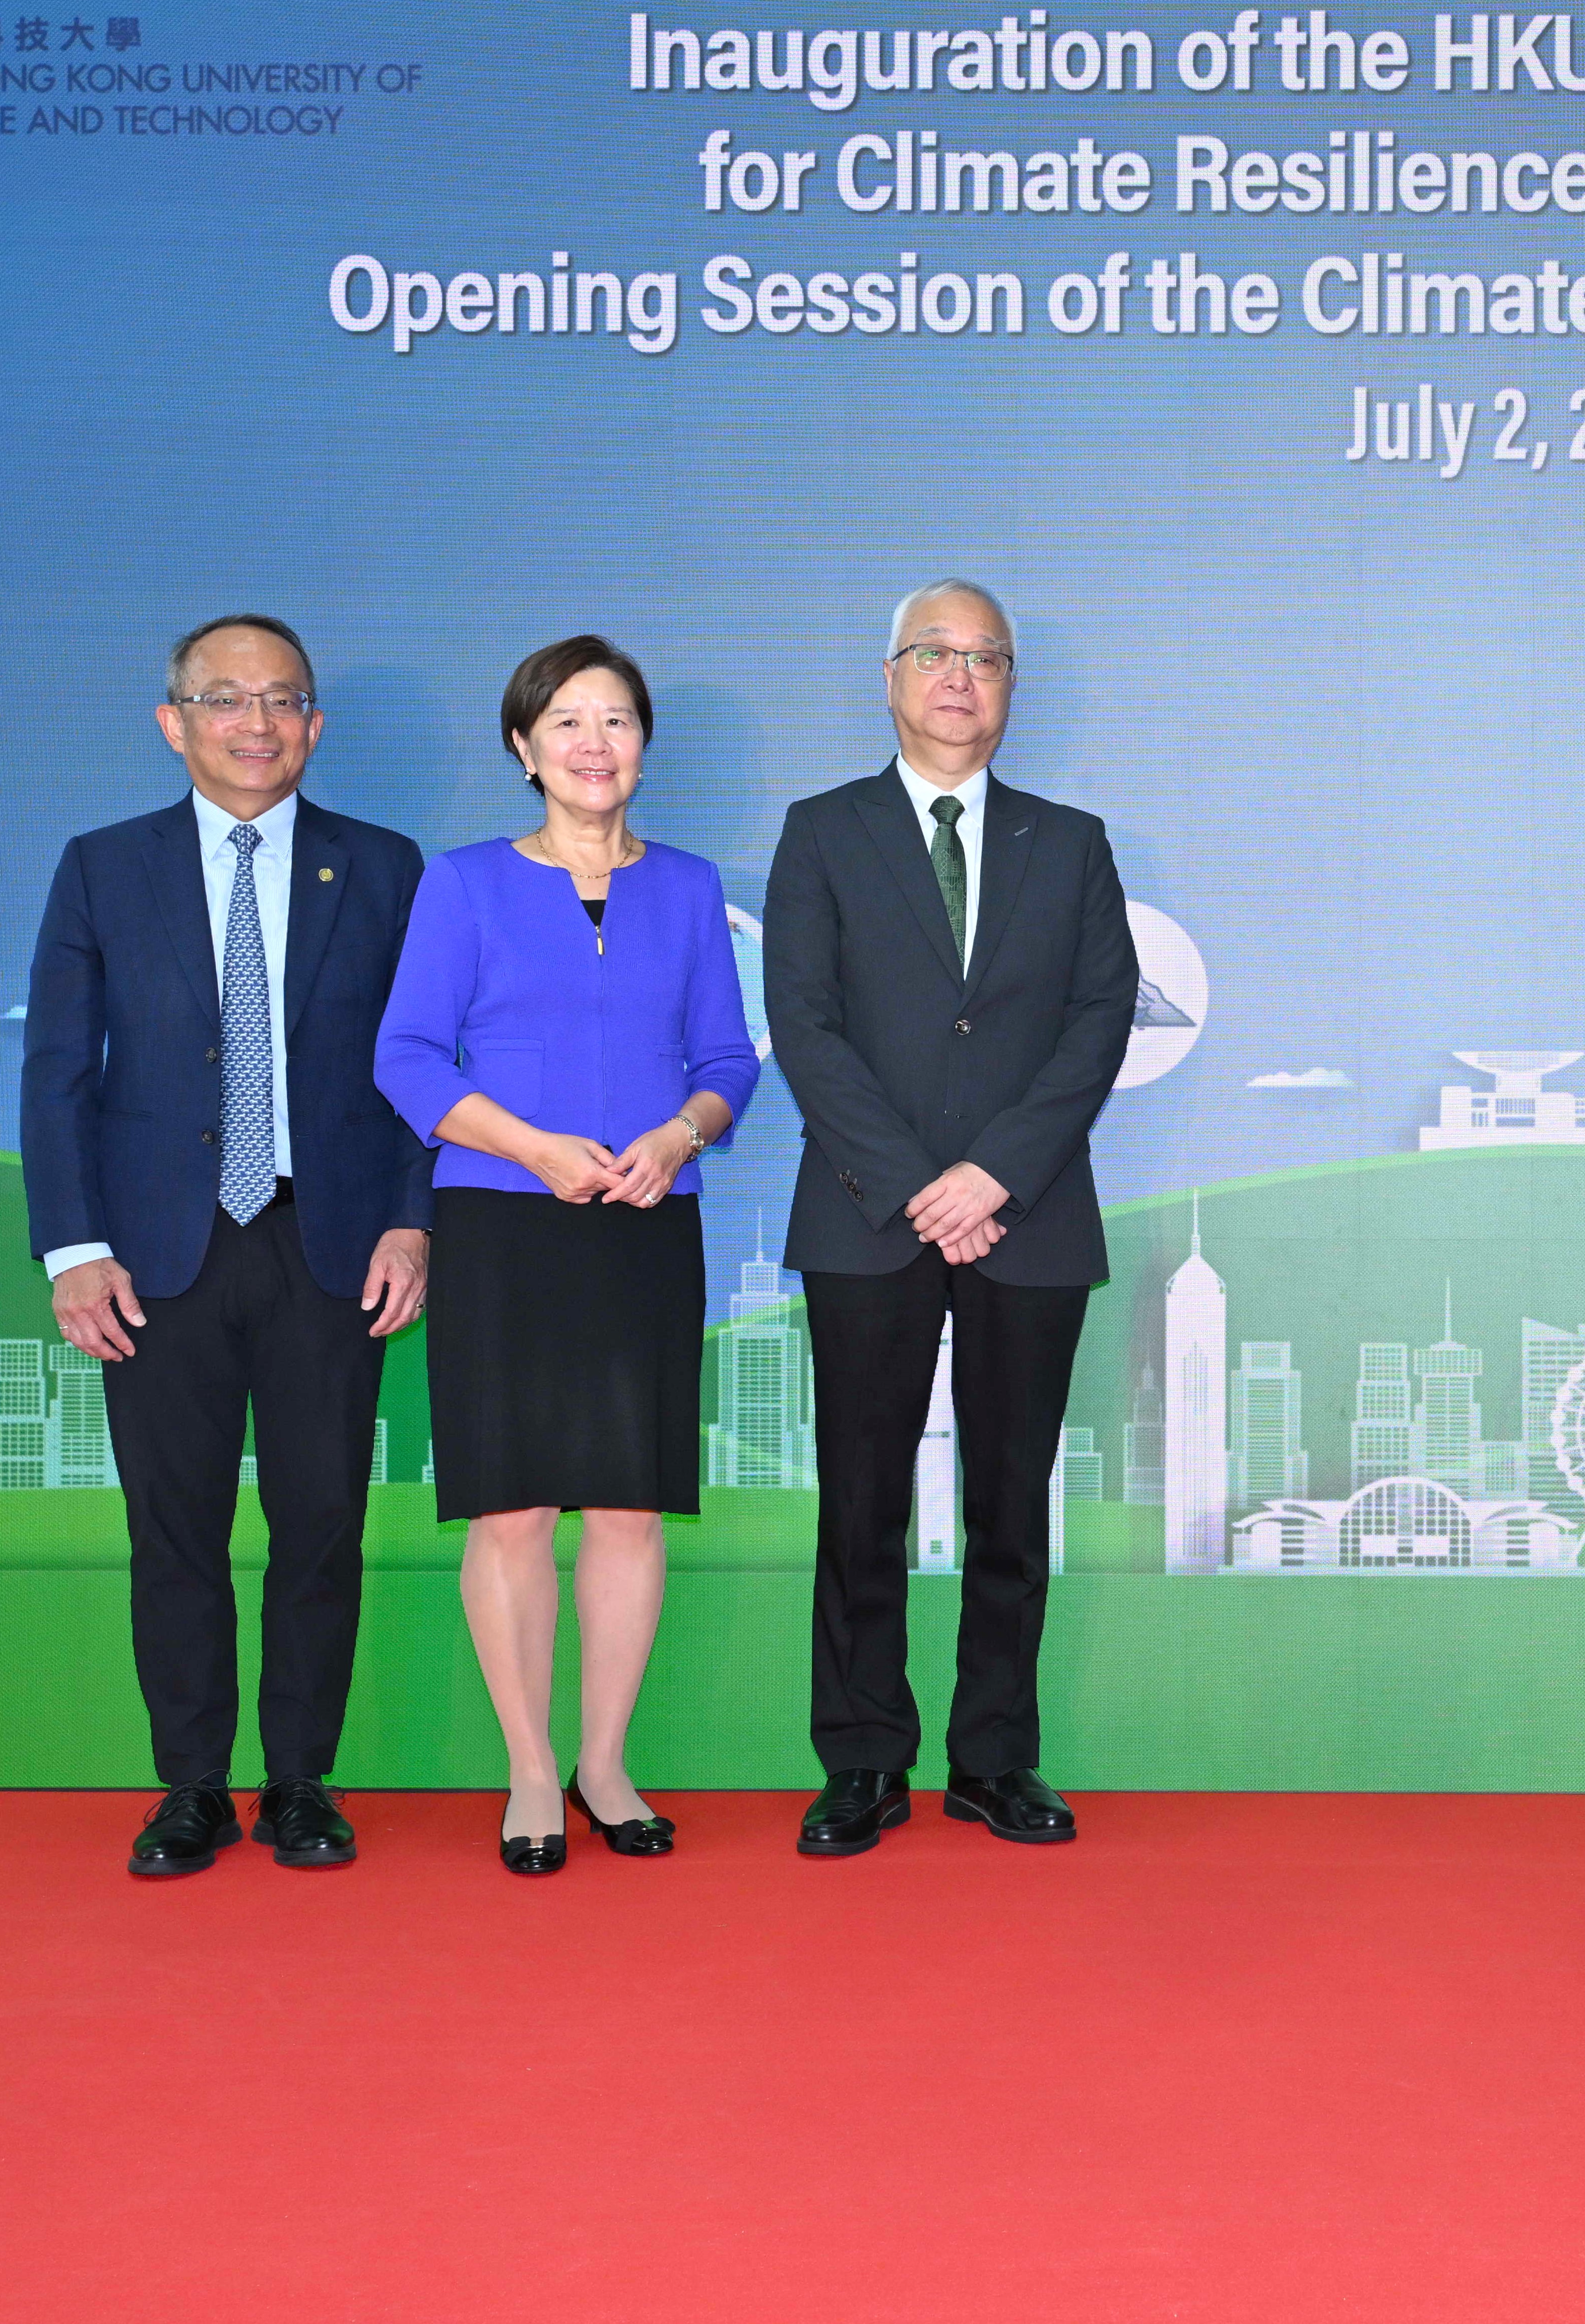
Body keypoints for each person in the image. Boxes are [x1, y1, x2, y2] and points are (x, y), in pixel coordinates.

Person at [22, 614, 433, 1878]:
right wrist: (71, 1247)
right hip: (154, 1255)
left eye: (283, 700)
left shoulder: (385, 865)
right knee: (177, 1532)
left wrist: (415, 1219)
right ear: (175, 722)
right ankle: (192, 1787)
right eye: (224, 699)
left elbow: (427, 1064)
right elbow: (56, 1073)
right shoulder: (102, 867)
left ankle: (303, 1783)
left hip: (331, 1243)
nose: (255, 724)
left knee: (323, 1525)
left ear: (314, 723)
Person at [764, 580, 1138, 1858]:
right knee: (860, 1500)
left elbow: (1097, 1025)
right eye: (936, 654)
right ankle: (863, 1759)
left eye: (987, 659)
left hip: (1026, 1221)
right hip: (867, 1215)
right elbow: (804, 1028)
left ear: (1009, 690)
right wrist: (920, 1185)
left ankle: (994, 1758)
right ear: (890, 677)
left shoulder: (1071, 842)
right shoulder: (823, 832)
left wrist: (996, 1178)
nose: (960, 678)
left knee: (1010, 1502)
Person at [374, 635, 758, 1873]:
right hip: (503, 1221)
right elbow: (409, 1059)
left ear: (645, 743)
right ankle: (530, 1770)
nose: (596, 746)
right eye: (568, 724)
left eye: (618, 722)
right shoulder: (465, 883)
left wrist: (679, 1135)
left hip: (647, 1219)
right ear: (524, 749)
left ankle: (604, 1761)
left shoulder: (691, 888)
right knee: (515, 1507)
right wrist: (534, 1148)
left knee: (629, 1508)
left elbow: (727, 1064)